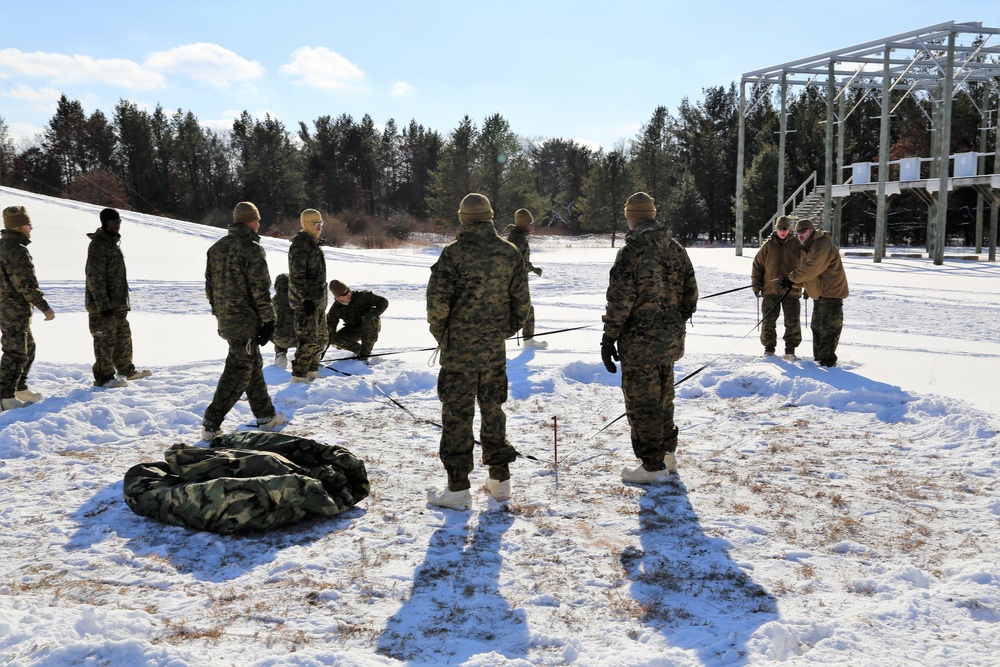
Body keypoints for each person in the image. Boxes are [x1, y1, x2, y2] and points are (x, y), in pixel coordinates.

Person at [425, 193, 530, 509]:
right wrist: (501, 332)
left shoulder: (452, 255)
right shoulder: (509, 252)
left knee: (457, 416)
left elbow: (436, 307)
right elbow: (522, 304)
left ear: (463, 219)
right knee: (493, 411)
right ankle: (500, 481)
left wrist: (445, 336)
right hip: (493, 350)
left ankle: (457, 489)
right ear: (490, 217)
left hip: (459, 352)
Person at [601, 192, 698, 483]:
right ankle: (667, 455)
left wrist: (609, 337)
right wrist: (673, 321)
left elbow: (620, 301)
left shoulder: (632, 252)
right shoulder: (675, 248)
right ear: (653, 215)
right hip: (669, 340)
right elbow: (690, 294)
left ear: (630, 217)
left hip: (639, 343)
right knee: (664, 398)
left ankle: (651, 466)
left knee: (643, 403)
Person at [201, 201, 285, 440]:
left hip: (227, 321)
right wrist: (269, 321)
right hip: (246, 321)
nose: (260, 224)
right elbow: (260, 289)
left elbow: (209, 288)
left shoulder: (216, 249)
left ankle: (266, 416)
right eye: (258, 220)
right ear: (251, 221)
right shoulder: (252, 249)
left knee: (251, 366)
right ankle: (211, 422)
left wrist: (220, 313)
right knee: (237, 372)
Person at [85, 208, 152, 389]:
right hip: (103, 306)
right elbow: (94, 277)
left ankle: (126, 370)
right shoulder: (99, 245)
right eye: (113, 222)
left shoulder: (112, 243)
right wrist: (103, 305)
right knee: (105, 340)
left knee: (123, 336)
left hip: (117, 305)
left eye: (118, 221)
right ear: (104, 223)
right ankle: (104, 377)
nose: (116, 225)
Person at [0, 206, 55, 410]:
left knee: (27, 348)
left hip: (11, 310)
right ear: (18, 226)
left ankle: (19, 388)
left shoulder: (5, 245)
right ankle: (5, 396)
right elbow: (25, 284)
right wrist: (45, 307)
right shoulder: (15, 249)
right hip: (12, 310)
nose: (31, 229)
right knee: (15, 353)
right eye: (28, 224)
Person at [783, 218, 849, 367]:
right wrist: (794, 282)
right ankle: (819, 360)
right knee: (817, 328)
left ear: (811, 231)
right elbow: (811, 274)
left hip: (831, 293)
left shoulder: (822, 244)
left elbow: (813, 268)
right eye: (797, 232)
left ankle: (827, 364)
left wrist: (792, 278)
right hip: (820, 294)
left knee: (829, 329)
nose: (800, 234)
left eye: (803, 231)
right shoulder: (808, 246)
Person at [751, 215, 802, 359]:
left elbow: (807, 267)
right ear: (776, 229)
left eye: (785, 228)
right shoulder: (767, 245)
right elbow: (757, 266)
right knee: (768, 321)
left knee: (792, 322)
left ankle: (790, 351)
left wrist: (807, 286)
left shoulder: (798, 245)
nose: (783, 231)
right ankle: (769, 350)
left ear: (790, 229)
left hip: (792, 290)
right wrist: (756, 285)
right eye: (780, 228)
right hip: (770, 290)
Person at [287, 209, 328, 383]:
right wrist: (305, 298)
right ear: (306, 224)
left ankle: (312, 371)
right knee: (308, 341)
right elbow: (297, 276)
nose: (319, 227)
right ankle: (298, 376)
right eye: (315, 224)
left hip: (319, 301)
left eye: (321, 223)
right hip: (306, 302)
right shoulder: (300, 246)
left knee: (322, 339)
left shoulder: (315, 244)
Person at [503, 208, 545, 348]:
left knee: (525, 308)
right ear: (524, 223)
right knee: (525, 309)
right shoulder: (519, 239)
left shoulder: (516, 236)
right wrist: (532, 269)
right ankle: (528, 341)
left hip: (513, 280)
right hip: (516, 281)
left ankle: (528, 340)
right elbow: (519, 263)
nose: (532, 225)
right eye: (530, 222)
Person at [326, 280, 388, 362]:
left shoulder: (362, 296)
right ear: (338, 297)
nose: (348, 294)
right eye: (344, 294)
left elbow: (383, 301)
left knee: (369, 323)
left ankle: (364, 356)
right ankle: (359, 351)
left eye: (348, 290)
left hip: (371, 325)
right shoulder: (335, 309)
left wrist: (374, 313)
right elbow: (330, 326)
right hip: (353, 329)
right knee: (335, 339)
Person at [271, 273, 296, 369]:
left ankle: (280, 353)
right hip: (301, 339)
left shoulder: (273, 302)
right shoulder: (300, 299)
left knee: (274, 327)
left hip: (282, 340)